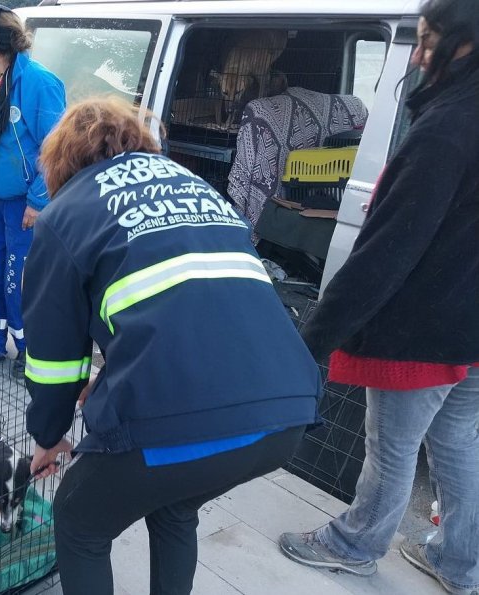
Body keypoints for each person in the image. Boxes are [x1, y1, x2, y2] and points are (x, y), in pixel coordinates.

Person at [23, 97, 321, 595]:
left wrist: (49, 437)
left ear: (64, 161)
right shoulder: (199, 189)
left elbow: (53, 360)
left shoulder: (68, 213)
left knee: (80, 520)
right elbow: (197, 308)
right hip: (285, 414)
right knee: (175, 505)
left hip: (177, 419)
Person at [277, 1, 479, 593]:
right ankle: (460, 562)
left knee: (392, 448)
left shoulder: (445, 130)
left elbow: (387, 252)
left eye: (427, 40)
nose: (417, 55)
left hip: (423, 327)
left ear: (463, 44)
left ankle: (354, 543)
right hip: (471, 326)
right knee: (458, 442)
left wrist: (312, 337)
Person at [0, 4, 66, 380]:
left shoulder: (40, 84)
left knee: (19, 278)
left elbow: (56, 149)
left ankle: (28, 350)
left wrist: (39, 201)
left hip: (25, 204)